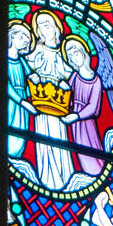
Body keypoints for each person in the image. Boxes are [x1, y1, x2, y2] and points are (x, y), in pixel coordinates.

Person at [26, 10, 73, 190]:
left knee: (60, 138)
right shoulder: (36, 51)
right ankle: (48, 177)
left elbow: (69, 73)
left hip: (59, 105)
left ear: (56, 28)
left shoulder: (63, 55)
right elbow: (28, 67)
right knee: (44, 139)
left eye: (47, 24)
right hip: (42, 104)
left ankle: (65, 175)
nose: (43, 28)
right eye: (40, 25)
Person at [62, 36, 104, 176]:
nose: (74, 58)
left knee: (90, 146)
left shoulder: (96, 80)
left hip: (86, 121)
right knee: (78, 148)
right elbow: (67, 94)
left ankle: (97, 172)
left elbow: (93, 106)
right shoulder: (74, 76)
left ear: (84, 52)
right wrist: (63, 87)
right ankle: (87, 173)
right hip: (74, 121)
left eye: (76, 53)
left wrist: (77, 115)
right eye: (70, 56)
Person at [7, 20, 34, 158]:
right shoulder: (4, 58)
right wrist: (22, 101)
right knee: (11, 126)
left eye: (27, 39)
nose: (24, 41)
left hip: (24, 101)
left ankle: (17, 157)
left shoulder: (22, 60)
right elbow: (7, 86)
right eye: (21, 37)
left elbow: (30, 79)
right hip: (12, 101)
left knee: (22, 130)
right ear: (11, 36)